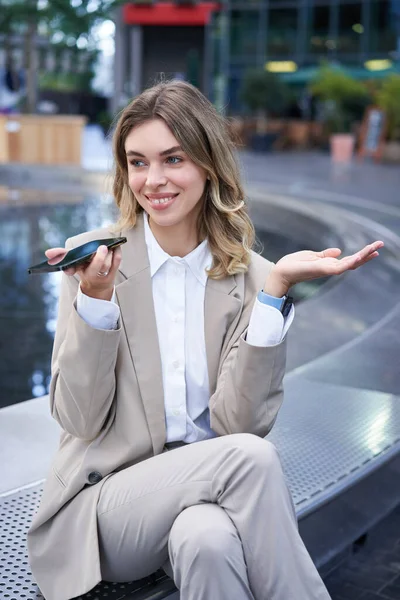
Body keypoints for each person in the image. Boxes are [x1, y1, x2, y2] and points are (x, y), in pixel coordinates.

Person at [27, 80, 383, 600]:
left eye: (173, 159)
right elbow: (79, 420)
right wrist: (96, 304)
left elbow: (240, 425)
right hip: (104, 510)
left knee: (208, 543)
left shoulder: (253, 277)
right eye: (138, 161)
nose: (154, 180)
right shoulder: (93, 260)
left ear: (207, 164)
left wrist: (275, 292)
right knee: (251, 459)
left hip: (204, 499)